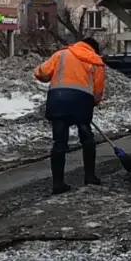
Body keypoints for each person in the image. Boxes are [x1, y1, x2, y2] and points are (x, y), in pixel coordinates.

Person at [34, 37, 106, 195]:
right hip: (82, 102)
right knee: (87, 137)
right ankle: (90, 176)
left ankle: (58, 184)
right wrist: (93, 102)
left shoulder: (62, 54)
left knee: (59, 142)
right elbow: (98, 89)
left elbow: (42, 72)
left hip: (58, 100)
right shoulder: (96, 60)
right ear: (93, 49)